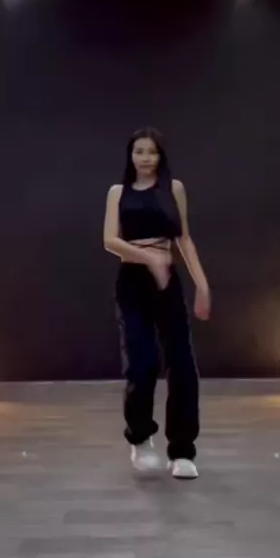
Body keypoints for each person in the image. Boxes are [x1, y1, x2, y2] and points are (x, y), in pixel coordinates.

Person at [104, 128, 210, 479]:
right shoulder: (118, 193)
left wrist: (202, 285)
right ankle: (140, 437)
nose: (145, 157)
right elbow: (109, 240)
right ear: (130, 155)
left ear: (160, 155)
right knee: (142, 362)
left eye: (151, 151)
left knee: (182, 364)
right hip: (132, 284)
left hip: (168, 283)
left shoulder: (173, 189)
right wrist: (148, 259)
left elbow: (184, 239)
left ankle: (182, 451)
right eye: (139, 151)